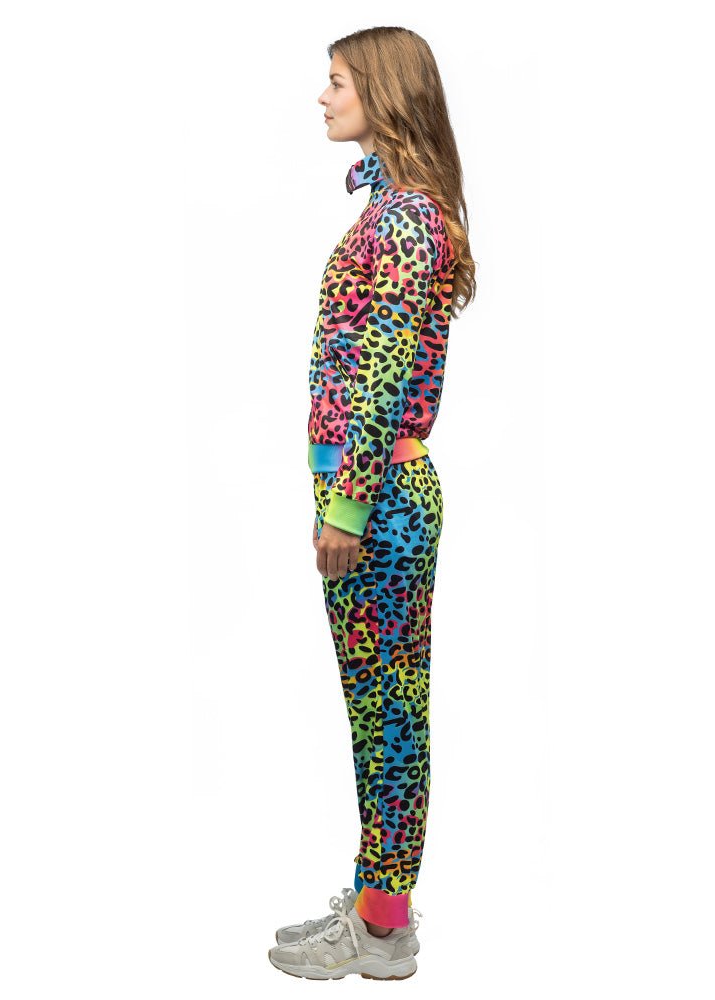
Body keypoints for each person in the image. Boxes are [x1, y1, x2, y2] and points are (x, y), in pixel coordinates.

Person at [268, 26, 477, 981]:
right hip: (374, 489)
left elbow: (380, 372)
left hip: (378, 498)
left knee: (388, 710)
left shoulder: (403, 222)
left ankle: (384, 929)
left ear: (383, 93)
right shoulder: (399, 209)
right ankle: (376, 903)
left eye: (338, 80)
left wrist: (345, 508)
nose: (324, 96)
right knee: (381, 705)